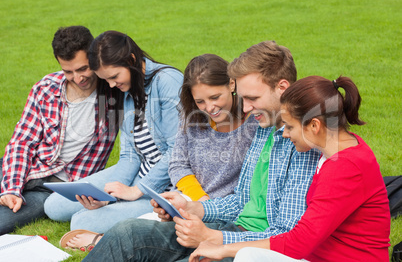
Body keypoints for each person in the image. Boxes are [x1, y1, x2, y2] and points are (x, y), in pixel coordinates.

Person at [82, 41, 321, 262]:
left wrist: (214, 238)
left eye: (252, 98)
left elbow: (286, 233)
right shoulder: (263, 128)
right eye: (244, 98)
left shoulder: (301, 142)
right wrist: (195, 208)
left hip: (251, 246)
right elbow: (241, 200)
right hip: (229, 226)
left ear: (282, 88)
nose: (245, 107)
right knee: (128, 233)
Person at [189, 76, 391, 262]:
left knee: (247, 256)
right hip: (316, 256)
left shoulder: (346, 167)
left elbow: (297, 243)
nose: (285, 134)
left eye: (290, 127)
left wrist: (224, 247)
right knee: (247, 254)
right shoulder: (337, 151)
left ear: (314, 126)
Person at [44, 30, 183, 235]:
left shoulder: (168, 82)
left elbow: (177, 152)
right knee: (54, 206)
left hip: (166, 187)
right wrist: (110, 196)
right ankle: (116, 204)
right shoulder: (128, 93)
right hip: (139, 174)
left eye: (114, 77)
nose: (111, 85)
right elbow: (129, 156)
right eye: (105, 79)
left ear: (131, 60)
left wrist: (137, 191)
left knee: (81, 223)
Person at [0, 26, 119, 235]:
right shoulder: (46, 88)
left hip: (56, 190)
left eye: (83, 69)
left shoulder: (115, 95)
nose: (77, 78)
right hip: (28, 166)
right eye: (68, 71)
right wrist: (11, 188)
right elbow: (22, 142)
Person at [169, 53, 257, 201]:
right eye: (200, 101)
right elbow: (178, 165)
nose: (209, 108)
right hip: (190, 200)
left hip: (227, 212)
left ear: (231, 84)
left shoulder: (254, 120)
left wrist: (207, 208)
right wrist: (200, 199)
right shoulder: (193, 115)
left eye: (215, 97)